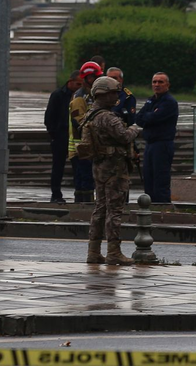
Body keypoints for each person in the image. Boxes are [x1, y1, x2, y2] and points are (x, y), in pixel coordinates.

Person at [79, 76, 142, 265]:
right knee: (114, 210)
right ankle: (114, 252)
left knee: (100, 208)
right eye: (114, 92)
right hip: (114, 167)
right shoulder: (107, 117)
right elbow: (123, 136)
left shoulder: (91, 114)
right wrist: (135, 128)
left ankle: (94, 251)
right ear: (103, 94)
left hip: (99, 165)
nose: (116, 96)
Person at [135, 72, 179, 203]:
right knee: (148, 179)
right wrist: (149, 117)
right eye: (154, 82)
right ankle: (150, 208)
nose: (157, 85)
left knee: (161, 180)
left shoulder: (169, 102)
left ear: (167, 85)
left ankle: (162, 209)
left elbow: (153, 118)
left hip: (162, 144)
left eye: (160, 82)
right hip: (150, 144)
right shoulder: (151, 100)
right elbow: (138, 118)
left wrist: (148, 117)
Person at [45, 71, 83, 204]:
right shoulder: (58, 95)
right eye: (78, 84)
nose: (80, 86)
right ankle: (56, 194)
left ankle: (80, 193)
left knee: (78, 167)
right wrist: (54, 134)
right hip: (61, 136)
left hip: (76, 137)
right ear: (70, 82)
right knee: (58, 167)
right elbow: (49, 116)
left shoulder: (82, 96)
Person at [69, 61, 103, 203]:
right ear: (89, 78)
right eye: (96, 77)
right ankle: (83, 207)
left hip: (89, 146)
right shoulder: (79, 97)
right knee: (85, 180)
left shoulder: (92, 95)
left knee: (88, 178)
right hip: (80, 148)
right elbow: (79, 121)